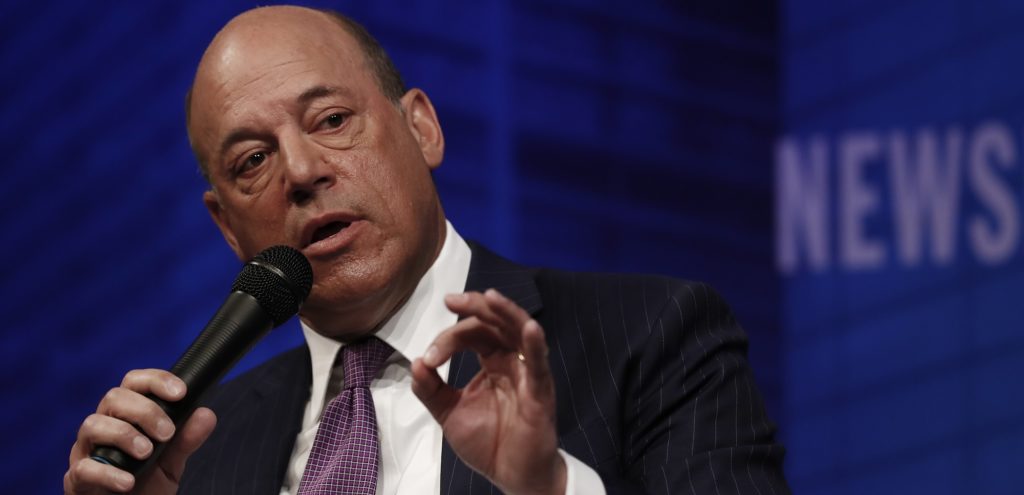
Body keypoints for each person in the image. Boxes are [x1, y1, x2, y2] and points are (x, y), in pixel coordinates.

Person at [64, 5, 790, 494]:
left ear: (422, 129)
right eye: (253, 161)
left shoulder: (651, 337)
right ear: (228, 227)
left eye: (333, 119)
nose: (302, 170)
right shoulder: (195, 455)